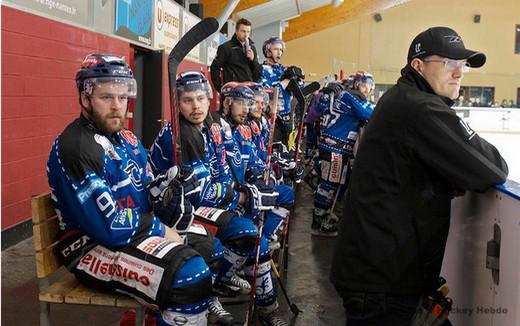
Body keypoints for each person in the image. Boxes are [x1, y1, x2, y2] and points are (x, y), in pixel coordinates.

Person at [330, 26, 508, 325]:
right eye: (449, 64)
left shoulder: (403, 98)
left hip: (378, 274)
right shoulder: (420, 108)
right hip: (383, 284)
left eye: (462, 66)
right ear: (418, 65)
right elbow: (492, 167)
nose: (459, 73)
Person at [47, 54, 213, 325]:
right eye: (106, 97)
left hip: (130, 233)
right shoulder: (77, 147)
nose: (116, 106)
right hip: (89, 247)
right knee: (189, 276)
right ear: (85, 98)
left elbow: (145, 188)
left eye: (123, 98)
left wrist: (166, 192)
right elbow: (109, 227)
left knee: (205, 242)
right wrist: (161, 229)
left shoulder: (127, 139)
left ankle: (157, 315)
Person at [149, 73, 292, 326]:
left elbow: (224, 171)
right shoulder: (183, 134)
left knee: (255, 240)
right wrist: (243, 197)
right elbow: (199, 191)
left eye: (201, 99)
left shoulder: (207, 127)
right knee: (246, 233)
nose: (196, 106)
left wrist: (249, 189)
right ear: (177, 103)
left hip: (198, 203)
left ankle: (267, 309)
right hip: (178, 210)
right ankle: (214, 288)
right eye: (188, 100)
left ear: (209, 99)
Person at [312, 73, 374, 237]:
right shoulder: (349, 96)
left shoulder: (342, 95)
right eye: (364, 83)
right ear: (355, 83)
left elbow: (320, 108)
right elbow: (368, 114)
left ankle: (324, 215)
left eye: (370, 85)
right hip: (335, 147)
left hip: (335, 146)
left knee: (337, 182)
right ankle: (320, 220)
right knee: (329, 184)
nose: (367, 88)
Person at [210, 18, 263, 92]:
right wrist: (220, 88)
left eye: (248, 32)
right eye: (243, 31)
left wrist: (253, 60)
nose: (246, 35)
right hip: (232, 91)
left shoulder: (252, 48)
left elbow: (258, 73)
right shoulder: (226, 47)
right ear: (236, 31)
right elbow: (214, 67)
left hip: (248, 91)